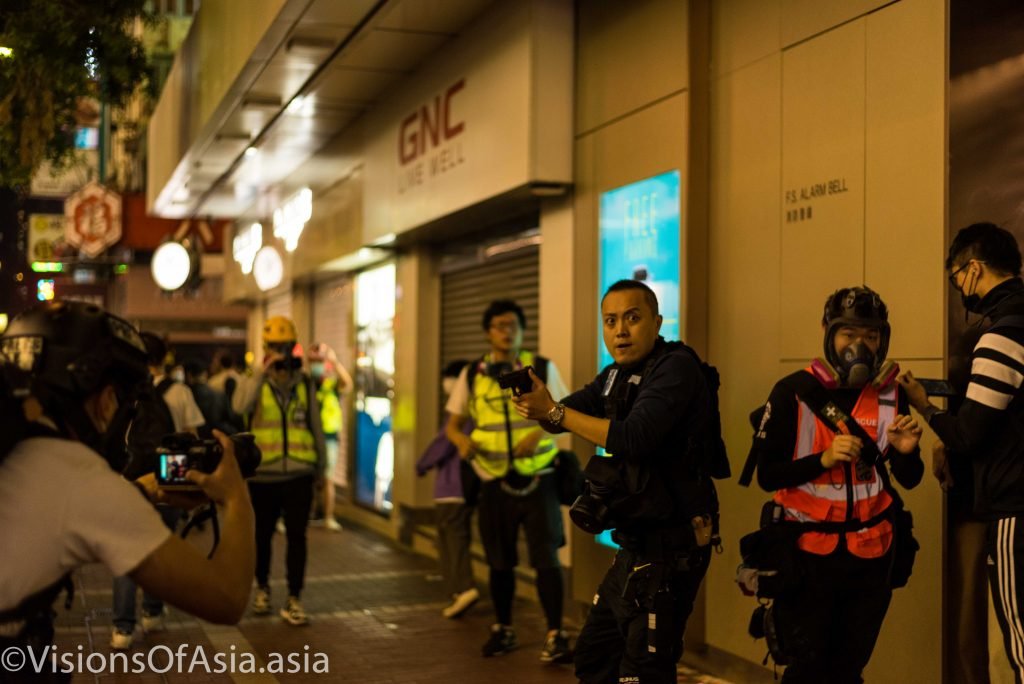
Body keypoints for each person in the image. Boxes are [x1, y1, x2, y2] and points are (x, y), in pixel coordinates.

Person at [0, 301, 254, 680]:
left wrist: (142, 492)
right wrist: (235, 497)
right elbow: (226, 598)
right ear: (103, 399)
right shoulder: (76, 474)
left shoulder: (16, 451)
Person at [512, 279, 724, 683]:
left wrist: (554, 414)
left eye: (632, 318)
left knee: (642, 671)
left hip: (672, 547)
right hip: (634, 545)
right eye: (610, 321)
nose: (620, 330)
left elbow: (635, 437)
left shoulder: (676, 368)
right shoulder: (615, 375)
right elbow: (563, 417)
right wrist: (540, 403)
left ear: (657, 322)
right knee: (594, 657)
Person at [750, 286, 923, 683]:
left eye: (871, 335)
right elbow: (768, 475)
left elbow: (909, 480)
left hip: (871, 557)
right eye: (849, 334)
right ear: (828, 332)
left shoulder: (890, 397)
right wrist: (822, 461)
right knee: (808, 669)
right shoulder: (792, 392)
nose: (860, 346)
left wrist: (908, 452)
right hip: (808, 556)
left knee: (849, 669)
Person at [899, 222, 1024, 681]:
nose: (958, 288)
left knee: (1019, 637)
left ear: (973, 270)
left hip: (1013, 507)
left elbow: (970, 434)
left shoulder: (1003, 333)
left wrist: (924, 406)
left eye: (955, 277)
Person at [444, 299, 572, 663]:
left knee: (546, 558)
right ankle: (503, 629)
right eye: (499, 325)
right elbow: (452, 425)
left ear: (522, 329)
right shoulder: (473, 373)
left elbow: (565, 415)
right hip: (492, 479)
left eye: (513, 324)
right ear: (488, 331)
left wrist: (542, 434)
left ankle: (555, 633)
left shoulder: (542, 367)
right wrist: (461, 441)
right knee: (499, 561)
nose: (507, 331)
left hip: (538, 480)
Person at [109, 332, 206, 650]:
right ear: (164, 356)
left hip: (130, 480)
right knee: (160, 550)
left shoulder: (125, 391)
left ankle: (122, 628)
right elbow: (191, 438)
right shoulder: (179, 392)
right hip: (169, 479)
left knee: (126, 554)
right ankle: (152, 611)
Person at [233, 315, 326, 626]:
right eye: (274, 346)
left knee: (298, 538)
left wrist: (321, 470)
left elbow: (316, 426)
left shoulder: (304, 383)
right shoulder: (254, 380)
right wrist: (261, 372)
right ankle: (262, 590)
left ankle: (294, 597)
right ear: (265, 347)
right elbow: (239, 407)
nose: (280, 352)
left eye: (285, 346)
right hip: (264, 476)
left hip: (300, 474)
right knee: (262, 536)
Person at [417, 359, 480, 619]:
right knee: (449, 537)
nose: (445, 383)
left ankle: (464, 587)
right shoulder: (471, 408)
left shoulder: (464, 411)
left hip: (453, 487)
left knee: (453, 537)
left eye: (448, 378)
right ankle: (457, 590)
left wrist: (422, 463)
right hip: (455, 486)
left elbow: (444, 442)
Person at [306, 342, 353, 531]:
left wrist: (335, 362)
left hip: (329, 437)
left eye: (320, 361)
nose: (316, 365)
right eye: (313, 361)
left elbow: (348, 384)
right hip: (307, 437)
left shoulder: (331, 384)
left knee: (327, 478)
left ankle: (328, 516)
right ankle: (309, 513)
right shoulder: (306, 384)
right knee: (307, 478)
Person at [183, 357, 242, 435]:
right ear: (204, 373)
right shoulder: (238, 379)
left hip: (197, 438)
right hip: (219, 436)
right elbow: (233, 417)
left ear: (188, 375)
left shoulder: (186, 394)